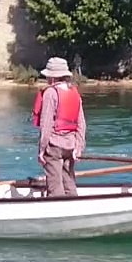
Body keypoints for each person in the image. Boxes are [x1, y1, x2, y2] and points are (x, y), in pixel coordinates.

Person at [31, 56, 86, 197]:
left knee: (55, 185)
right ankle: (74, 204)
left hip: (54, 145)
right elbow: (81, 124)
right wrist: (78, 147)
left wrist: (41, 150)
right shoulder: (74, 92)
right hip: (71, 145)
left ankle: (56, 207)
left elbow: (46, 124)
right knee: (69, 182)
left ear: (53, 77)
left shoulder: (50, 93)